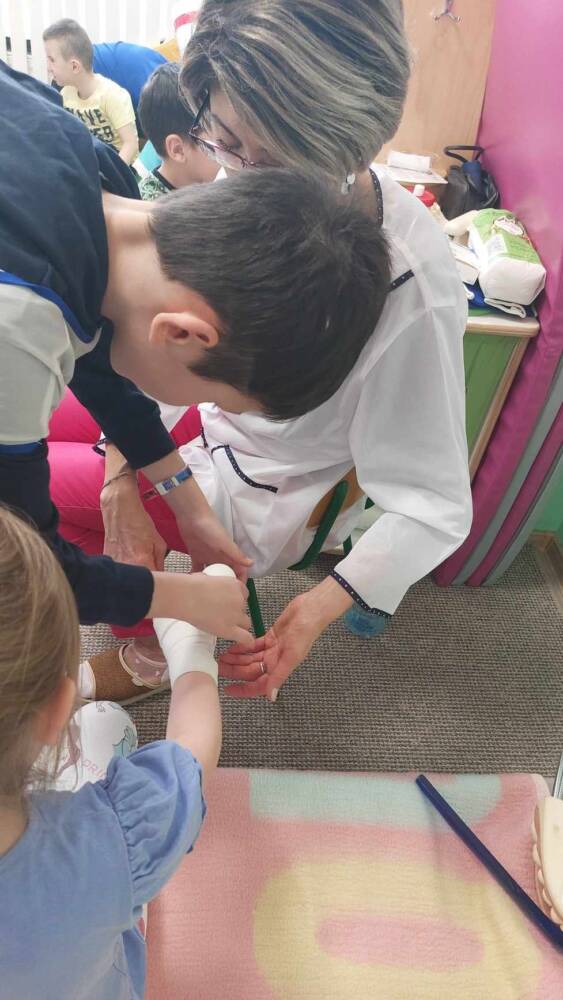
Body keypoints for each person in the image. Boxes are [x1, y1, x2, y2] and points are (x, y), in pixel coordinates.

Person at [75, 0, 473, 703]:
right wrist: (119, 475)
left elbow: (434, 505)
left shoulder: (412, 287)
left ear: (336, 141)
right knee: (67, 431)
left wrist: (314, 610)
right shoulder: (251, 173)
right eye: (221, 140)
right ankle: (149, 609)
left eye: (256, 153)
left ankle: (154, 649)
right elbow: (159, 346)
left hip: (259, 480)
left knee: (49, 486)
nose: (234, 170)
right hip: (191, 402)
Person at [0, 61, 389, 655]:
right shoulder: (21, 324)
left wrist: (190, 509)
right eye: (211, 395)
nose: (202, 406)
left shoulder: (95, 171)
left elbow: (100, 350)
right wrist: (175, 596)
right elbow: (21, 570)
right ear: (185, 334)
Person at [0, 505, 224, 1000]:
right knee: (106, 722)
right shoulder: (109, 842)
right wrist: (191, 650)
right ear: (57, 708)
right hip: (90, 949)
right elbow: (190, 755)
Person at [43, 19, 139, 164]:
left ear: (75, 67)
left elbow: (130, 145)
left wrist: (112, 175)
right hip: (91, 163)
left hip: (119, 166)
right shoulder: (65, 95)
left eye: (52, 60)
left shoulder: (113, 96)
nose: (48, 68)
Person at [137, 61, 217, 200]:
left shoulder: (202, 182)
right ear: (178, 150)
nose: (230, 151)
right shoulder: (153, 209)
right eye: (221, 141)